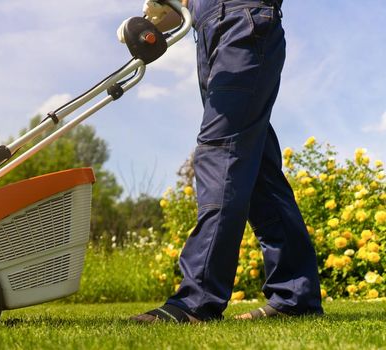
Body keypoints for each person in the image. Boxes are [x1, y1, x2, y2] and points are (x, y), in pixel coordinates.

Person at [130, 0, 324, 322]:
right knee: (259, 171)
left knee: (221, 151)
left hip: (242, 21)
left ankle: (197, 301)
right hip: (207, 30)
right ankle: (295, 295)